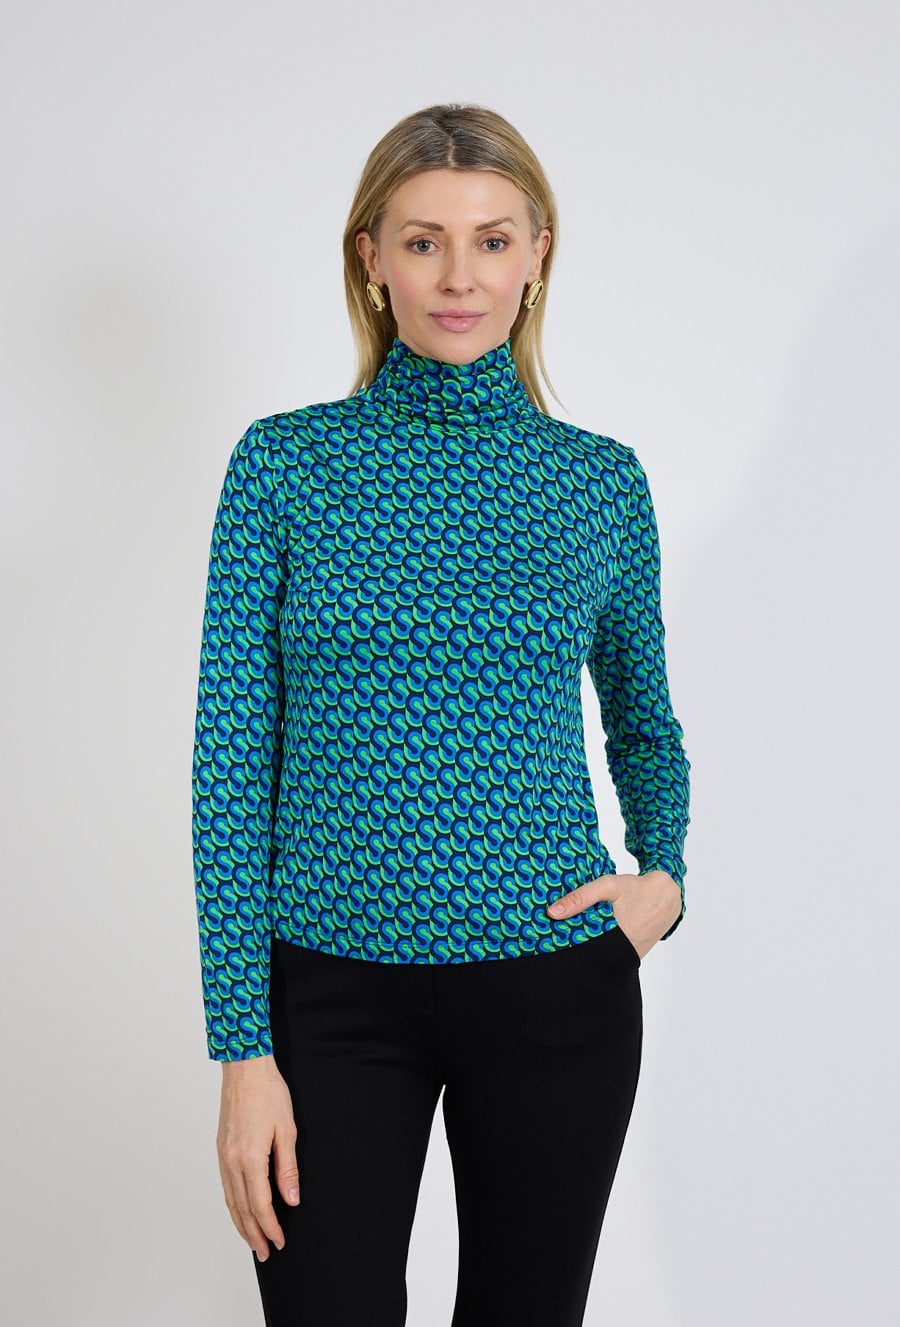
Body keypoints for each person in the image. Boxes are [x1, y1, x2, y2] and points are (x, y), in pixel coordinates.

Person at [191, 101, 691, 1327]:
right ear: (371, 258)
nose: (459, 277)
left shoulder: (598, 483)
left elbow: (644, 720)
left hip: (554, 991)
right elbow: (228, 764)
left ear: (537, 256)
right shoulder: (283, 467)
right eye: (424, 242)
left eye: (491, 240)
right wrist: (242, 1051)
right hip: (328, 1003)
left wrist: (664, 880)